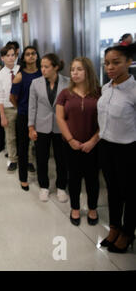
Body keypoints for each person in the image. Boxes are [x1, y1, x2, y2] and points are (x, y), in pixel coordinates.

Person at [97, 45, 136, 253]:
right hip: (106, 146)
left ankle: (128, 232)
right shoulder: (106, 88)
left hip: (128, 149)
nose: (110, 67)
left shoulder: (134, 90)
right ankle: (114, 227)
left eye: (116, 62)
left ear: (129, 62)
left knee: (129, 193)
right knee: (112, 191)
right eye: (106, 63)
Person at [56, 57, 101, 226]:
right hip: (70, 144)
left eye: (79, 69)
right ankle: (75, 208)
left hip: (93, 145)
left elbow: (104, 121)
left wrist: (93, 141)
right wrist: (70, 140)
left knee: (92, 179)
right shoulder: (65, 94)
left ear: (88, 71)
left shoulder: (99, 92)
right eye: (72, 69)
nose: (74, 72)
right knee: (73, 177)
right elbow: (60, 118)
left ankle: (92, 208)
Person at [28, 53, 69, 202]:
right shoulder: (35, 83)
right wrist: (31, 127)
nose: (43, 70)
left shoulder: (67, 83)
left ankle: (61, 187)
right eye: (41, 67)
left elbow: (69, 107)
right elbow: (32, 107)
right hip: (41, 126)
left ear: (56, 67)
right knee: (41, 158)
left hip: (61, 127)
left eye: (46, 67)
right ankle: (44, 187)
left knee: (61, 159)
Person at [10, 46, 40, 191]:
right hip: (24, 115)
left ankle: (42, 178)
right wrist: (21, 108)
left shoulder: (42, 73)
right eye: (28, 54)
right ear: (24, 58)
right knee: (23, 148)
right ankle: (23, 178)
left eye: (33, 53)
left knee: (40, 149)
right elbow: (12, 97)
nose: (31, 56)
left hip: (41, 116)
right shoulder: (20, 76)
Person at [0, 45, 20, 172]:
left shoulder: (21, 70)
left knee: (25, 136)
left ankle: (29, 160)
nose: (11, 58)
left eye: (13, 55)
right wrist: (2, 115)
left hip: (22, 107)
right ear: (2, 58)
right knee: (10, 137)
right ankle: (13, 159)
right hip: (8, 109)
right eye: (7, 55)